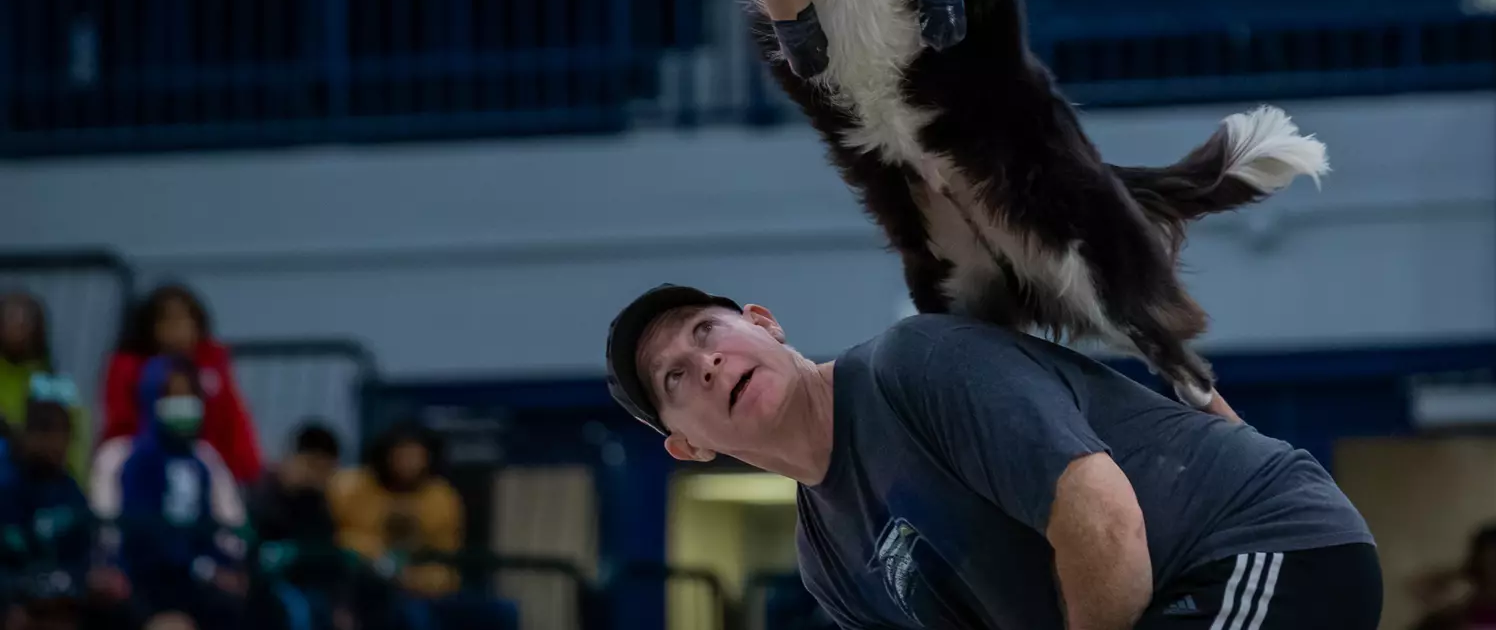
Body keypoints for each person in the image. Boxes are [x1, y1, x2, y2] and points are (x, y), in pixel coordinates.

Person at [606, 285, 1383, 630]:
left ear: (764, 324)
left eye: (705, 333)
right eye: (675, 376)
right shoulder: (827, 561)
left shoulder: (913, 363)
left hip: (1264, 545)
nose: (703, 363)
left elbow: (1102, 519)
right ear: (689, 444)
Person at [87, 357, 249, 630]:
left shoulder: (206, 460)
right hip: (137, 578)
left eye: (189, 395)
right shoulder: (118, 456)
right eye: (172, 395)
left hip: (197, 582)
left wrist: (216, 567)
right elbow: (106, 529)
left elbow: (233, 530)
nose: (183, 405)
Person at [0, 383, 133, 630]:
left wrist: (92, 579)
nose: (54, 444)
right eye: (45, 433)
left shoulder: (70, 490)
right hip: (20, 599)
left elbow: (87, 550)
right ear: (27, 436)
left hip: (67, 597)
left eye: (62, 434)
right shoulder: (8, 488)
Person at [101, 285, 263, 485]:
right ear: (149, 326)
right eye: (168, 321)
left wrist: (248, 469)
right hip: (143, 468)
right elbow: (120, 423)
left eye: (185, 320)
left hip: (211, 471)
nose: (178, 329)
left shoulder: (214, 365)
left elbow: (234, 423)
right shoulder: (128, 369)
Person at [329, 422, 464, 627]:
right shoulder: (353, 487)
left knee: (499, 611)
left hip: (423, 590)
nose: (408, 463)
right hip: (362, 586)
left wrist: (415, 580)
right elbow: (343, 539)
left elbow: (446, 562)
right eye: (401, 455)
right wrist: (384, 565)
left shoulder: (441, 497)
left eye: (415, 455)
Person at [248, 423, 350, 630]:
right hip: (270, 590)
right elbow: (257, 553)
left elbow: (330, 555)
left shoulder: (320, 503)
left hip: (314, 587)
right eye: (313, 466)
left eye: (326, 468)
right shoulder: (263, 494)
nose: (317, 475)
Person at [0, 293, 89, 483]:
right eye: (11, 320)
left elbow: (77, 442)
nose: (19, 328)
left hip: (48, 480)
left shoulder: (56, 383)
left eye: (26, 321)